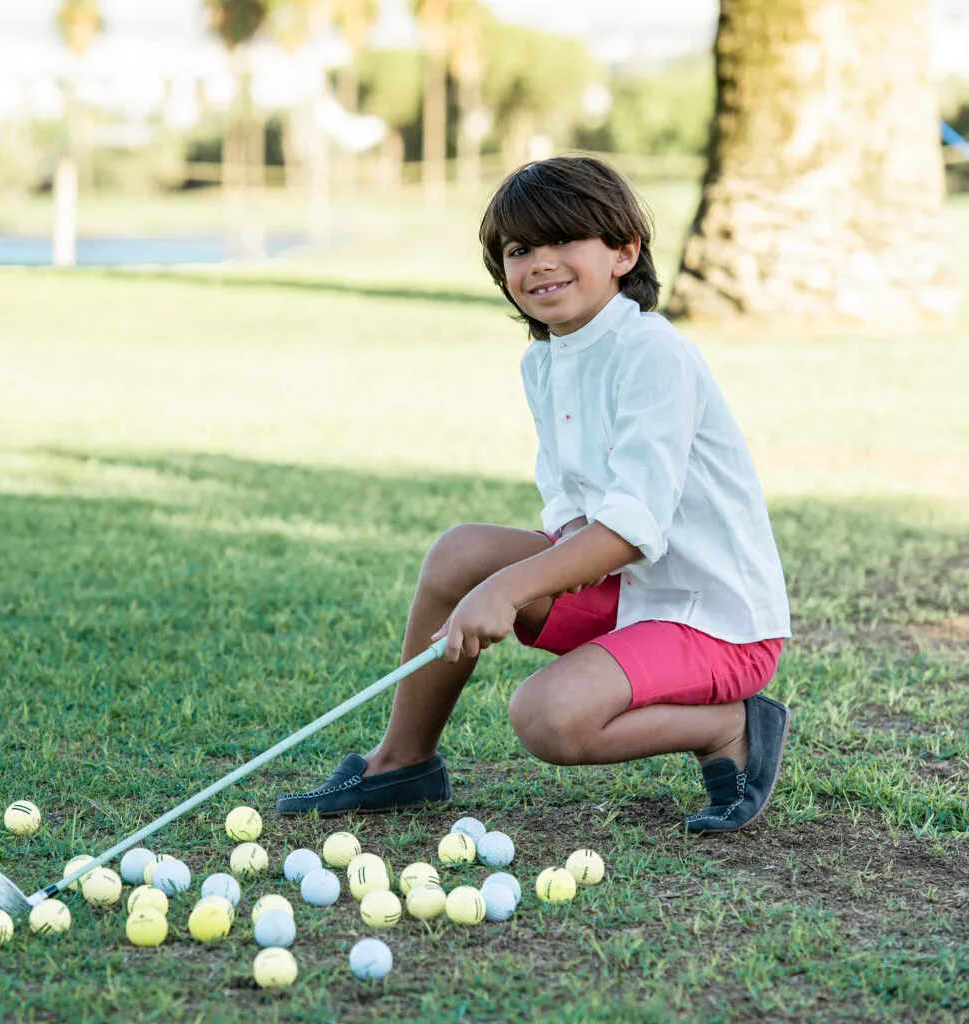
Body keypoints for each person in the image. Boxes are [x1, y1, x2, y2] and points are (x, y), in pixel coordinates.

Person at [278, 155, 792, 833]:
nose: (541, 263)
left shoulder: (652, 353)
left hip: (716, 623)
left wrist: (508, 590)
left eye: (564, 240)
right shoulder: (543, 361)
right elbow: (571, 507)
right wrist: (522, 569)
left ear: (624, 252)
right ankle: (401, 762)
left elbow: (632, 527)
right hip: (629, 595)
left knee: (547, 718)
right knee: (461, 553)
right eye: (520, 250)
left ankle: (730, 727)